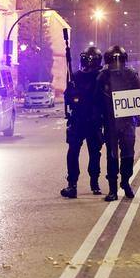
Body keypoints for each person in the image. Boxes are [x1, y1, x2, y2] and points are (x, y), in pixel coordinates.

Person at [95, 45, 140, 202]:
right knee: (112, 156)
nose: (116, 64)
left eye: (119, 60)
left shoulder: (131, 75)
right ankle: (112, 189)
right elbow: (97, 98)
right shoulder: (103, 76)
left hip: (127, 121)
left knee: (128, 154)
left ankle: (125, 181)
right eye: (113, 60)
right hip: (110, 121)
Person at [60, 46, 104, 198]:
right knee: (76, 152)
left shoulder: (100, 77)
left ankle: (91, 182)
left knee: (91, 153)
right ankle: (76, 184)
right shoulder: (77, 76)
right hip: (81, 120)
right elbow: (68, 97)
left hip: (90, 120)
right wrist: (72, 91)